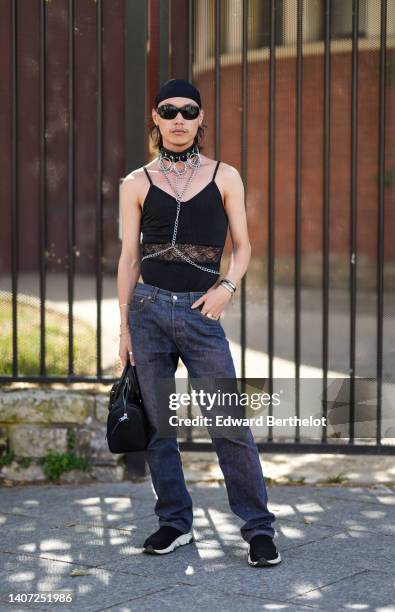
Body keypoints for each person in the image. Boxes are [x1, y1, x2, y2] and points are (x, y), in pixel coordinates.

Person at [117, 78, 281, 567]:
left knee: (227, 423)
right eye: (170, 111)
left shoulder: (225, 176)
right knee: (159, 426)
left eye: (189, 112)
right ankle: (174, 522)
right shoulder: (136, 182)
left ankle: (258, 530)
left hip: (200, 312)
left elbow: (245, 246)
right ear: (156, 117)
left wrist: (226, 288)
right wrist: (124, 328)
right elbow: (129, 258)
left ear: (201, 119)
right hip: (147, 311)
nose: (179, 120)